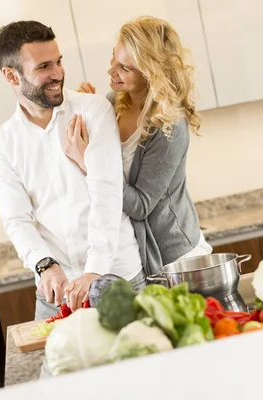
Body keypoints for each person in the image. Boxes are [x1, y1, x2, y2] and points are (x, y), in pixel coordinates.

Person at [0, 20, 144, 321]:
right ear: (11, 75)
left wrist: (94, 271)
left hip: (117, 278)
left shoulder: (93, 110)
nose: (58, 74)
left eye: (58, 61)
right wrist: (44, 264)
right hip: (56, 293)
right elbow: (16, 218)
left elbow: (107, 193)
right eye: (43, 66)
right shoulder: (3, 143)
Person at [65, 16, 212, 276]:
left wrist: (89, 163)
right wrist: (87, 113)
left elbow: (141, 205)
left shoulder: (169, 126)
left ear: (151, 72)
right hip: (139, 253)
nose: (111, 71)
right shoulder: (113, 101)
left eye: (125, 67)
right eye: (113, 58)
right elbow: (97, 158)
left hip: (175, 258)